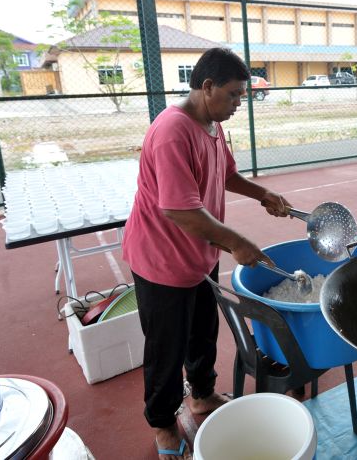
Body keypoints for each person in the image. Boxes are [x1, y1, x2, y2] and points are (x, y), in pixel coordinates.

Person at [122, 47, 292, 460]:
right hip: (162, 261)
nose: (239, 104)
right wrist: (235, 240)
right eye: (234, 95)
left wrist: (262, 193)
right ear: (208, 86)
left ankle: (200, 395)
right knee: (165, 348)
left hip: (200, 254)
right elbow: (178, 209)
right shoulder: (172, 132)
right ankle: (162, 423)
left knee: (202, 331)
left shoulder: (211, 124)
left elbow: (226, 173)